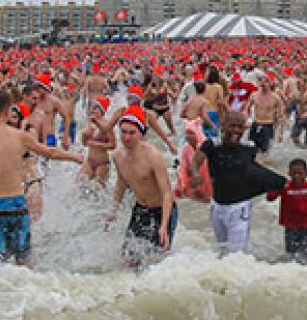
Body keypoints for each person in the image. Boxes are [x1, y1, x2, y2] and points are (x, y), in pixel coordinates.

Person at [0, 88, 83, 265]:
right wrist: (75, 157)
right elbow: (49, 152)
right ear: (7, 110)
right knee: (23, 262)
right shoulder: (20, 136)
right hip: (15, 204)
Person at [192, 111, 287, 255]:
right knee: (222, 250)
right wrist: (196, 174)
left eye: (239, 127)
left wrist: (282, 182)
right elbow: (196, 161)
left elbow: (259, 169)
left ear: (244, 129)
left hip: (239, 209)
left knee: (236, 255)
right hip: (217, 207)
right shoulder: (212, 145)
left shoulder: (249, 148)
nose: (236, 130)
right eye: (232, 126)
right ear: (223, 126)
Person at [107, 106, 177, 266]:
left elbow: (167, 193)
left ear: (141, 134)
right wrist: (114, 210)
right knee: (129, 259)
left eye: (132, 133)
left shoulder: (153, 156)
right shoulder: (117, 156)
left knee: (155, 261)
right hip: (140, 209)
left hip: (163, 211)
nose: (127, 137)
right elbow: (121, 182)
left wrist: (163, 226)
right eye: (123, 132)